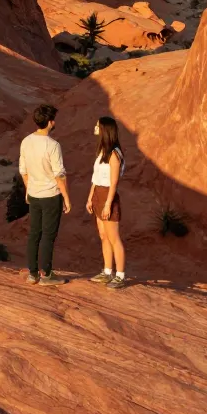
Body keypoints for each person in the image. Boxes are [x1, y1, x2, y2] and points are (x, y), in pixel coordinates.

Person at [18, 103, 70, 284]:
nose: (55, 122)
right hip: (50, 196)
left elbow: (23, 170)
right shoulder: (53, 145)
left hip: (34, 194)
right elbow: (59, 175)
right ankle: (46, 275)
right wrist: (66, 197)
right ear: (49, 122)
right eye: (53, 119)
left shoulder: (26, 141)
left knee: (34, 234)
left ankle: (32, 274)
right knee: (48, 235)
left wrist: (28, 189)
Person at [87, 115, 128, 287]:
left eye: (97, 126)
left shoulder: (114, 155)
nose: (95, 128)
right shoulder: (103, 151)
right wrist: (90, 198)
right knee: (103, 236)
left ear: (105, 130)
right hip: (98, 195)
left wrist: (107, 204)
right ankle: (107, 271)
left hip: (107, 197)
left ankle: (120, 275)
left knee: (113, 237)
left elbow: (114, 183)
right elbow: (95, 178)